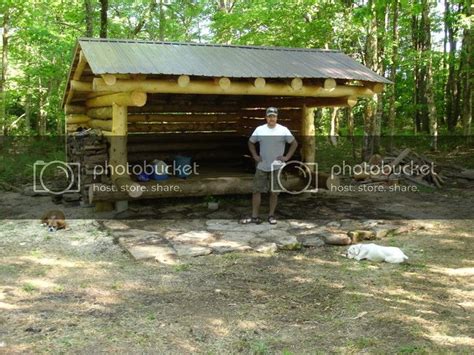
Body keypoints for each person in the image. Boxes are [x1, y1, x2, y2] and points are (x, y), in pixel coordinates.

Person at [240, 107, 298, 225]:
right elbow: (251, 142)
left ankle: (271, 215)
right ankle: (255, 216)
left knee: (274, 191)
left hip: (276, 166)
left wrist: (286, 157)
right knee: (256, 190)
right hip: (262, 165)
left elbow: (294, 143)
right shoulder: (259, 129)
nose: (272, 118)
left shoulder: (283, 130)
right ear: (266, 117)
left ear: (277, 117)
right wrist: (255, 155)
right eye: (269, 116)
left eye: (274, 116)